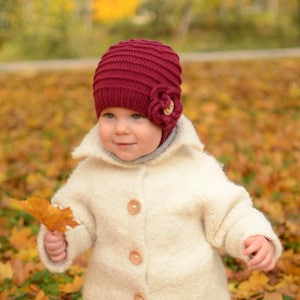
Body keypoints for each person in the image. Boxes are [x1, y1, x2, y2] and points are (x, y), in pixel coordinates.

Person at [38, 39, 282, 300]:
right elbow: (77, 217)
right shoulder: (91, 171)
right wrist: (63, 239)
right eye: (109, 115)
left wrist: (253, 235)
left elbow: (229, 214)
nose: (120, 128)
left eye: (136, 116)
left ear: (165, 117)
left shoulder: (194, 169)